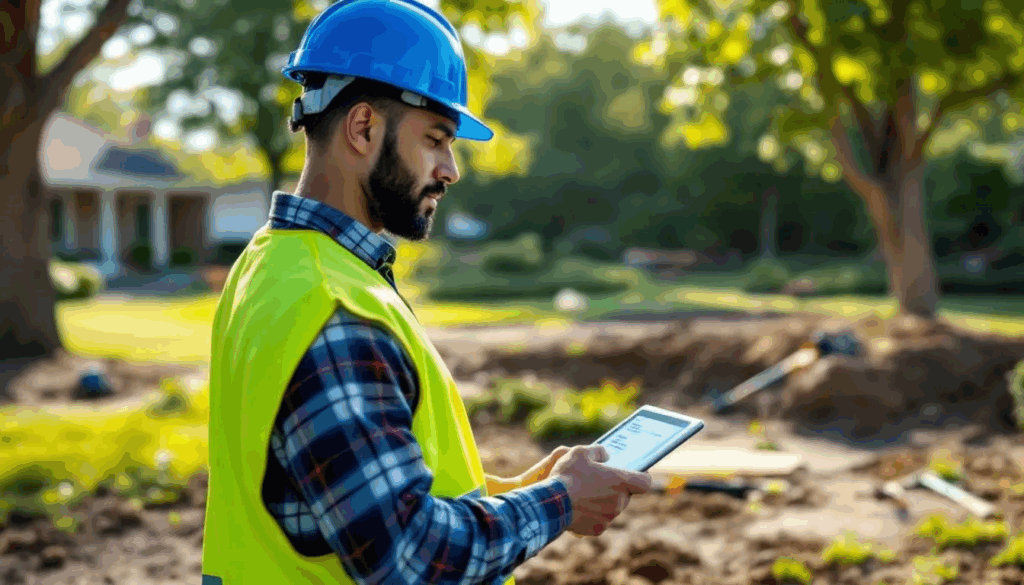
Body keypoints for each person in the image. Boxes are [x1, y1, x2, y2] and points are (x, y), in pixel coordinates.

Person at [199, 1, 653, 583]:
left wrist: (522, 491)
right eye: (437, 139)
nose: (451, 169)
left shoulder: (272, 263)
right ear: (363, 128)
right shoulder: (335, 309)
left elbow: (340, 491)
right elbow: (408, 559)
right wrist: (560, 501)